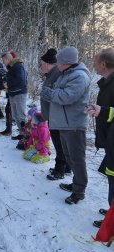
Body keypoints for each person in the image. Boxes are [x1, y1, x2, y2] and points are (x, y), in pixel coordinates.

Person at [40, 46, 90, 204]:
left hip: (74, 124)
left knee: (77, 158)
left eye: (60, 61)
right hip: (64, 123)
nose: (57, 64)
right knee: (69, 157)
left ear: (67, 62)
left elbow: (68, 96)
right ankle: (76, 184)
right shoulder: (65, 74)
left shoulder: (79, 76)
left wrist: (50, 93)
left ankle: (79, 191)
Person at [85, 48, 114, 228]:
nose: (93, 65)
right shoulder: (106, 81)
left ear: (103, 64)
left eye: (95, 62)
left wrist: (102, 111)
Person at [39, 48, 71, 180]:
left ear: (47, 64)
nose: (41, 67)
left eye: (41, 64)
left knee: (59, 144)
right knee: (60, 143)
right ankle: (67, 167)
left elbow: (58, 95)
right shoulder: (53, 74)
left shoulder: (57, 74)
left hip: (57, 116)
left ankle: (59, 170)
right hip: (53, 116)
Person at [2, 51, 28, 140]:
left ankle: (27, 135)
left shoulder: (18, 66)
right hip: (13, 93)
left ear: (8, 59)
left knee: (21, 115)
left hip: (20, 93)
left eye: (3, 60)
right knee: (16, 115)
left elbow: (20, 79)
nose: (3, 63)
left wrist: (8, 84)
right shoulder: (12, 67)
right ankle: (22, 134)